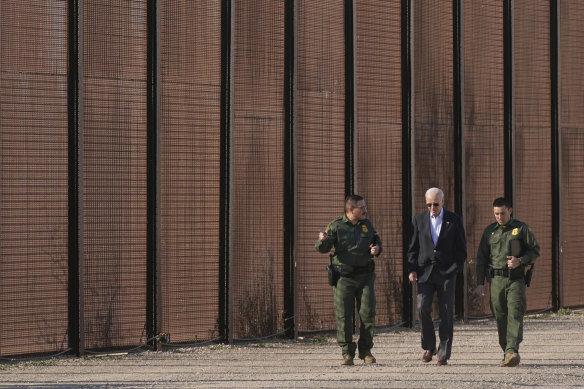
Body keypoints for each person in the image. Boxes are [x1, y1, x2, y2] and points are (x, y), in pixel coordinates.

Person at [315, 194, 382, 366]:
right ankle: (347, 353)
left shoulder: (367, 225)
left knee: (368, 313)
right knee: (344, 316)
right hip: (343, 278)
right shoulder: (336, 226)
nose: (366, 210)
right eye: (362, 207)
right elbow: (323, 248)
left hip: (365, 277)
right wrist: (322, 240)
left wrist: (376, 249)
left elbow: (376, 242)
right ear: (351, 209)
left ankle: (366, 351)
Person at [476, 197, 540, 367]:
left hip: (515, 279)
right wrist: (480, 282)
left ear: (510, 211)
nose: (499, 217)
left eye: (502, 213)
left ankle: (512, 349)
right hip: (496, 280)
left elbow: (535, 250)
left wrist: (521, 260)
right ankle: (507, 351)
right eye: (496, 213)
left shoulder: (520, 228)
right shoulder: (490, 231)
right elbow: (481, 258)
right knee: (500, 316)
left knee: (515, 313)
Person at [407, 187, 467, 366]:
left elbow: (461, 249)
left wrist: (455, 268)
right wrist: (411, 269)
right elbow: (412, 247)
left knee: (446, 312)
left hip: (447, 273)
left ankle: (443, 353)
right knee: (422, 308)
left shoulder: (454, 220)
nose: (432, 207)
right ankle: (429, 346)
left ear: (443, 202)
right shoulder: (418, 220)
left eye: (435, 203)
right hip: (424, 272)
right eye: (428, 204)